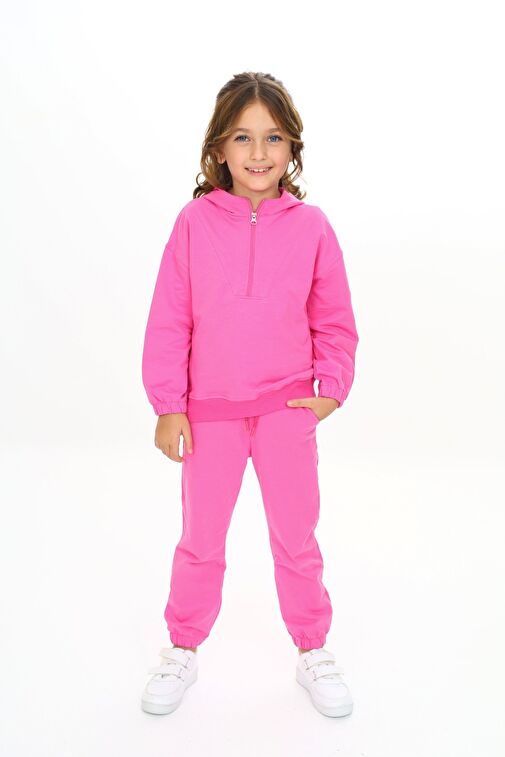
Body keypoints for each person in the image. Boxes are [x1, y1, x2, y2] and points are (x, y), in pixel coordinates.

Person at [140, 71, 359, 718]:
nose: (258, 152)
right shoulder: (193, 223)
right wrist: (168, 404)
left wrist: (330, 388)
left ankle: (312, 648)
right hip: (209, 414)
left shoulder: (312, 227)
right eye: (242, 137)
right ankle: (182, 646)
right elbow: (169, 318)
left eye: (272, 137)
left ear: (292, 146)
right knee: (200, 538)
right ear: (218, 147)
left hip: (286, 410)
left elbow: (334, 319)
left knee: (296, 537)